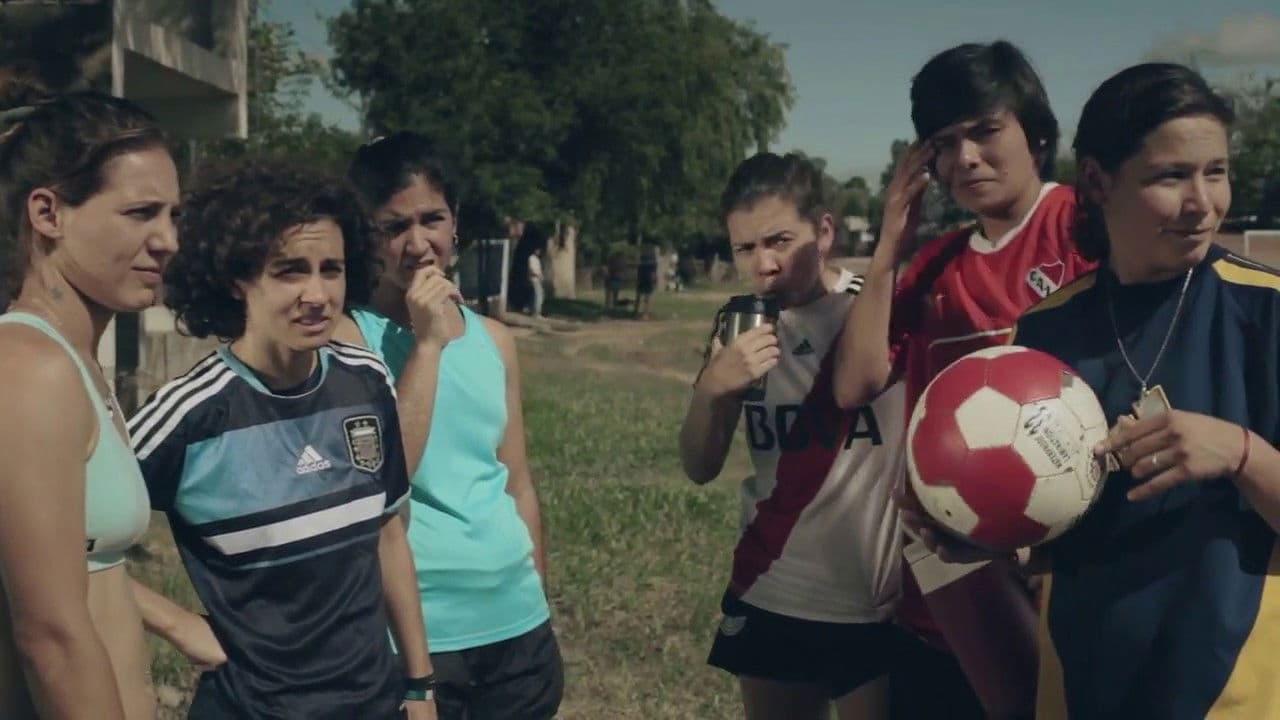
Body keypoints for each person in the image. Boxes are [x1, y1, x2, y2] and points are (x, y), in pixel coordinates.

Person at [994, 62, 1280, 719]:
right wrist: (982, 531)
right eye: (1172, 176)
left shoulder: (1267, 311)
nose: (1203, 202)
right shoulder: (1041, 332)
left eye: (1216, 172)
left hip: (1235, 699)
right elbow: (1043, 543)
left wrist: (1240, 452)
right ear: (1097, 181)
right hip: (1081, 692)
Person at [833, 40, 1096, 718]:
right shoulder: (935, 266)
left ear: (1037, 135)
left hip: (1069, 583)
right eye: (945, 144)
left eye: (985, 131)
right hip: (949, 584)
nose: (967, 158)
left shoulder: (1083, 229)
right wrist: (889, 248)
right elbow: (855, 384)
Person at [126, 161, 436, 719]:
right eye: (290, 271)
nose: (317, 294)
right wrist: (177, 625)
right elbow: (58, 546)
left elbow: (388, 536)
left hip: (373, 703)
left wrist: (419, 686)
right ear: (237, 279)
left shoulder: (366, 381)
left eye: (331, 269)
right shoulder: (189, 415)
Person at [340, 131, 563, 720]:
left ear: (455, 220)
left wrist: (534, 595)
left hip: (516, 631)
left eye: (431, 219)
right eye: (394, 227)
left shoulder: (495, 340)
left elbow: (517, 484)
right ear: (367, 237)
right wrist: (428, 344)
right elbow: (384, 481)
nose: (418, 244)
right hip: (417, 638)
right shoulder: (347, 338)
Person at [679, 152, 906, 720]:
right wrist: (712, 388)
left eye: (779, 241)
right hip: (772, 587)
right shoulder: (739, 324)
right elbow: (700, 466)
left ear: (823, 232)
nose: (764, 265)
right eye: (745, 248)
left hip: (874, 601)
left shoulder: (878, 308)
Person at [0, 73, 178, 719]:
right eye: (140, 213)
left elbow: (79, 570)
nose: (168, 240)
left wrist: (181, 625)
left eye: (173, 215)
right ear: (48, 214)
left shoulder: (73, 364)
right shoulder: (29, 368)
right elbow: (50, 637)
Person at [636, 243, 658, 319]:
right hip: (645, 278)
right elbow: (653, 271)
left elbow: (653, 271)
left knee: (645, 296)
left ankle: (644, 313)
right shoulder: (650, 260)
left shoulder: (645, 260)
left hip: (645, 278)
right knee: (645, 296)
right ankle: (644, 313)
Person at [527, 245, 545, 318]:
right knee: (538, 296)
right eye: (537, 250)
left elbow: (538, 270)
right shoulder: (531, 258)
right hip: (534, 279)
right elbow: (532, 269)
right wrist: (538, 275)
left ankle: (532, 310)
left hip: (538, 279)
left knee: (538, 295)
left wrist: (541, 276)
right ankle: (536, 313)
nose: (538, 252)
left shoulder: (537, 259)